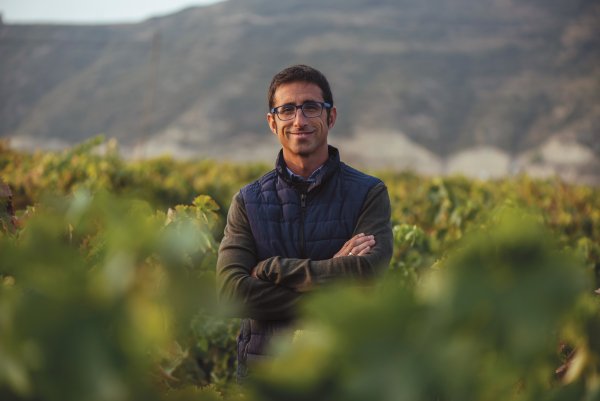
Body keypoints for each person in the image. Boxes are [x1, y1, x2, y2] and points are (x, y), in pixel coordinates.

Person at [216, 64, 393, 379]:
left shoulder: (368, 193)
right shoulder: (248, 201)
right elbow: (232, 293)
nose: (299, 120)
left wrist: (274, 269)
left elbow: (367, 270)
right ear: (273, 122)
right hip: (265, 379)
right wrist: (331, 288)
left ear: (330, 116)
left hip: (343, 376)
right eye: (287, 110)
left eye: (310, 107)